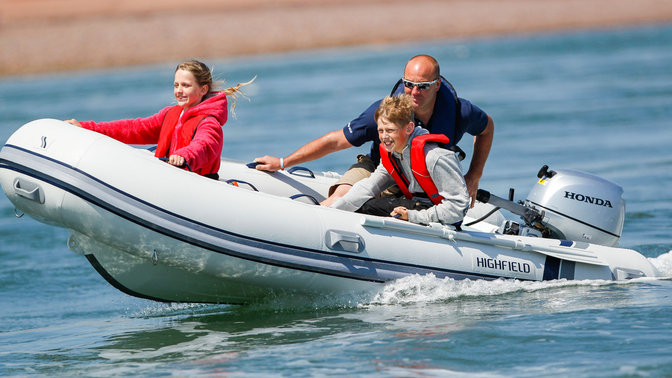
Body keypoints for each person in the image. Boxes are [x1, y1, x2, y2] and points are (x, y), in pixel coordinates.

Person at [253, 54, 493, 207]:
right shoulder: (384, 113)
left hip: (426, 182)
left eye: (423, 86)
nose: (414, 92)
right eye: (409, 85)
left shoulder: (460, 112)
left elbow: (487, 129)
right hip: (380, 168)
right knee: (342, 197)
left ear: (437, 85)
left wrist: (474, 176)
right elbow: (336, 141)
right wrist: (283, 162)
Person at [66, 59, 255, 179]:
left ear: (203, 89)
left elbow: (204, 145)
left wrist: (184, 155)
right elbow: (133, 128)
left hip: (199, 186)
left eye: (186, 86)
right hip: (167, 181)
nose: (179, 91)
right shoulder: (170, 115)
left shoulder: (209, 122)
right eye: (176, 85)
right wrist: (85, 126)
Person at [330, 94, 469, 226]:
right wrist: (333, 210)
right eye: (380, 131)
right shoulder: (394, 154)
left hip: (436, 213)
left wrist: (412, 216)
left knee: (367, 207)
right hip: (415, 205)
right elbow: (369, 186)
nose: (384, 137)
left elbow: (458, 208)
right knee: (363, 204)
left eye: (390, 130)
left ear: (409, 128)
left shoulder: (435, 157)